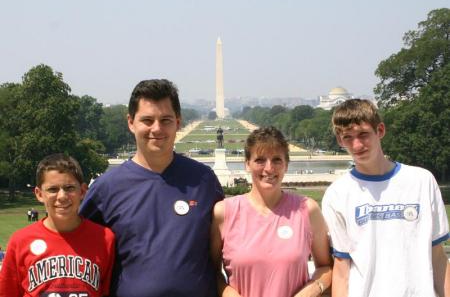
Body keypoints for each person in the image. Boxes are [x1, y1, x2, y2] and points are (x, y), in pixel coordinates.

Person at [80, 79, 224, 297]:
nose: (156, 129)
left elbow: (226, 249)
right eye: (147, 120)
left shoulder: (204, 180)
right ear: (130, 122)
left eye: (165, 120)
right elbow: (79, 250)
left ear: (178, 122)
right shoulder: (106, 188)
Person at [321, 99, 450, 297]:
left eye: (363, 134)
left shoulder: (421, 181)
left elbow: (438, 258)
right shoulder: (337, 194)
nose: (357, 145)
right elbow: (341, 268)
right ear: (340, 141)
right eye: (348, 137)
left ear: (380, 130)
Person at [210, 126, 332, 297]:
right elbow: (211, 273)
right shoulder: (224, 212)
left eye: (276, 160)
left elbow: (327, 267)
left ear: (286, 165)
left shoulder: (307, 209)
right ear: (247, 164)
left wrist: (311, 291)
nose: (269, 168)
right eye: (260, 160)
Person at [0, 153, 115, 297]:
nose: (62, 196)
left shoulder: (104, 238)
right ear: (39, 194)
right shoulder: (20, 241)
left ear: (83, 191)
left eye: (69, 188)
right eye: (53, 189)